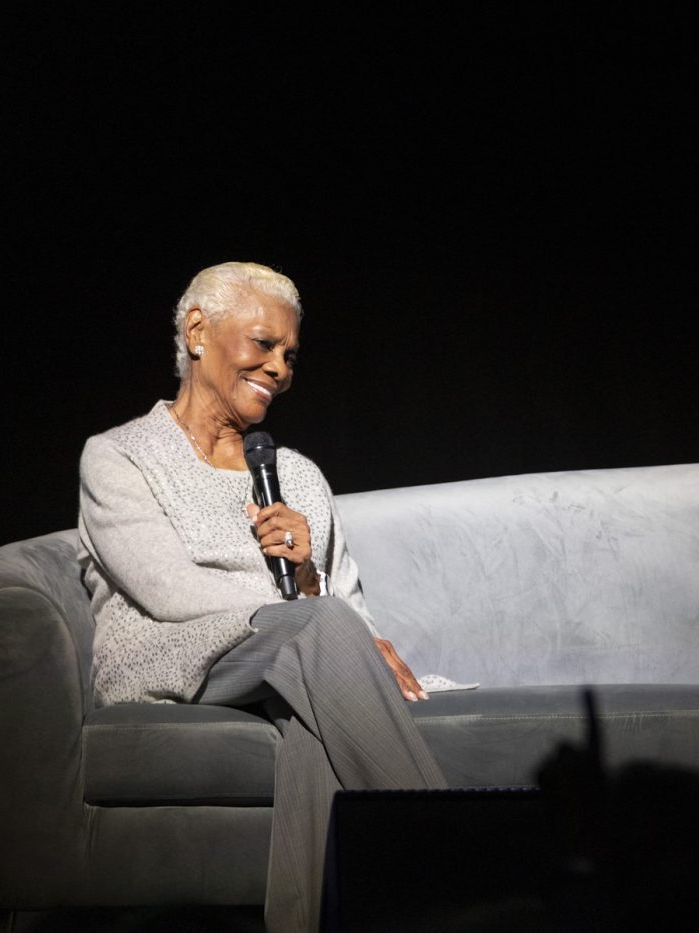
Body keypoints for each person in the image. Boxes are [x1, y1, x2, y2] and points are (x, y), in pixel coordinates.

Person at [77, 262, 451, 933]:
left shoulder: (297, 474)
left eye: (290, 355)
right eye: (263, 344)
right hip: (167, 655)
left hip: (281, 656)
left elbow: (346, 601)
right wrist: (316, 614)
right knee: (320, 635)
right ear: (198, 332)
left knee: (314, 717)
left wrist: (311, 579)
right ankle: (461, 878)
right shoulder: (119, 457)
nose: (279, 367)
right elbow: (169, 591)